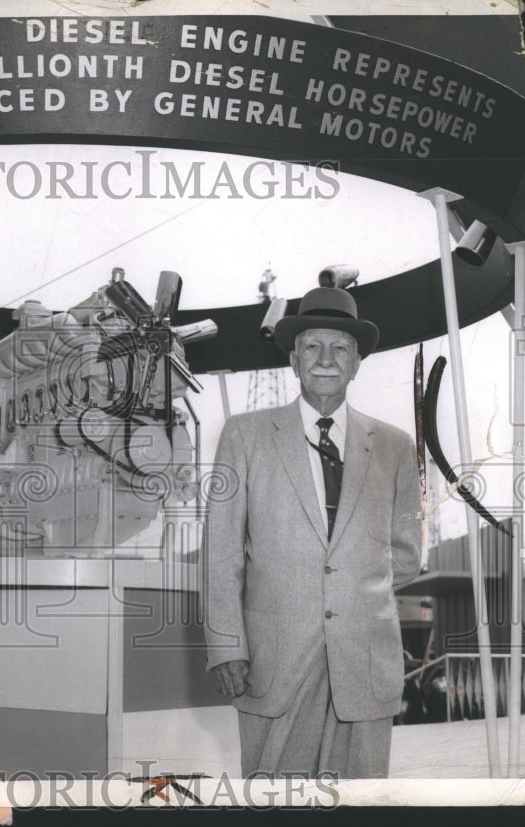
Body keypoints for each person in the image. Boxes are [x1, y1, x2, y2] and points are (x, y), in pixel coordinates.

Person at [204, 286, 422, 779]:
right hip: (273, 664)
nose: (326, 359)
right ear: (294, 358)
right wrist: (226, 646)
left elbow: (407, 555)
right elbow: (220, 556)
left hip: (364, 663)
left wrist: (348, 596)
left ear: (357, 362)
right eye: (313, 347)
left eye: (340, 347)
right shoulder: (244, 436)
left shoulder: (394, 447)